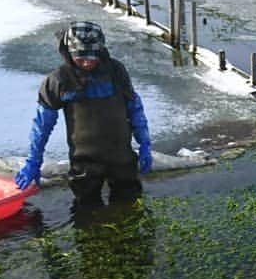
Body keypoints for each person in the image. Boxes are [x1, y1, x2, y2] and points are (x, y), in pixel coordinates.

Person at [15, 21, 153, 205]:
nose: (87, 62)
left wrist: (144, 143)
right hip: (85, 161)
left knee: (130, 206)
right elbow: (42, 125)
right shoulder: (59, 81)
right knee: (86, 210)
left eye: (92, 56)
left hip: (121, 156)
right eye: (80, 57)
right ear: (68, 53)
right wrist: (34, 161)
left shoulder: (115, 71)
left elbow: (134, 107)